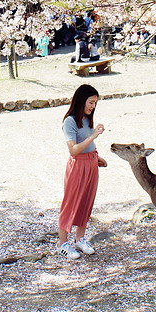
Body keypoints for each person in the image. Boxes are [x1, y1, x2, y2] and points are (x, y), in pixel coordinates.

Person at [59, 84, 107, 259]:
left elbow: (87, 145)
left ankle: (80, 238)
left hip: (91, 163)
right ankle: (63, 243)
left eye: (95, 103)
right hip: (78, 166)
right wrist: (93, 135)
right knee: (71, 202)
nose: (93, 106)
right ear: (81, 100)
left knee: (87, 201)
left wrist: (96, 156)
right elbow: (74, 150)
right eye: (91, 102)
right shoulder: (70, 121)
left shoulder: (86, 120)